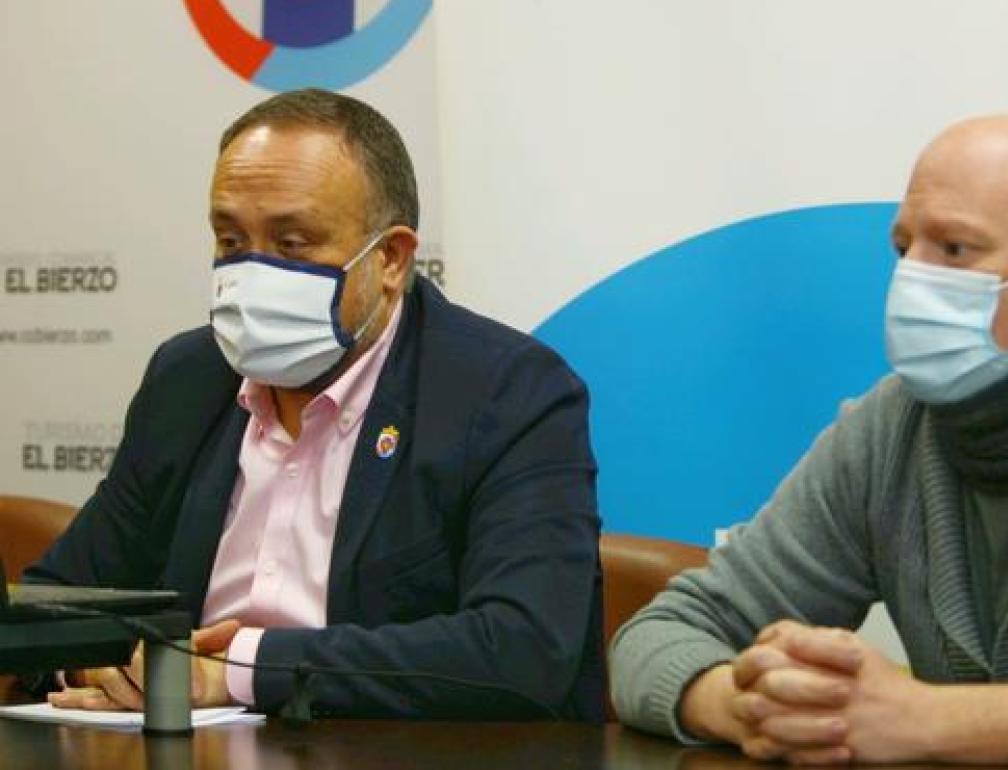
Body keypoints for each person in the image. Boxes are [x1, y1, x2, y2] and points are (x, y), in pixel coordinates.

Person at [610, 115, 1008, 764]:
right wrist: (751, 706)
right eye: (903, 247)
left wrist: (931, 718)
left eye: (954, 250)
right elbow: (660, 634)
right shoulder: (892, 426)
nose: (909, 279)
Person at [27, 89, 604, 721]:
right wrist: (103, 666)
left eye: (292, 243)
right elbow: (51, 602)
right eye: (229, 241)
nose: (251, 275)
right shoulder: (189, 378)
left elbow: (521, 651)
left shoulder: (507, 391)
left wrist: (241, 670)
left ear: (390, 258)